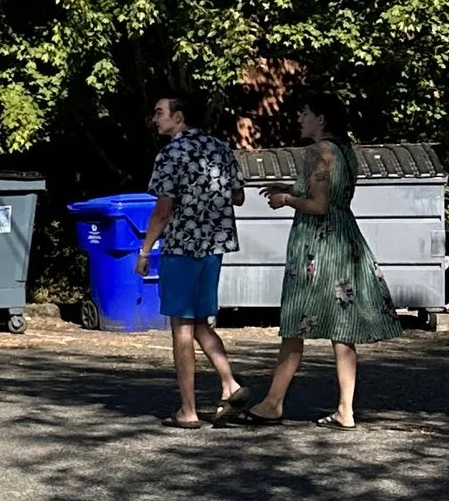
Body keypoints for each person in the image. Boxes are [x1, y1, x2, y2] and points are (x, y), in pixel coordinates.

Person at [248, 96, 398, 426]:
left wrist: (285, 199)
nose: (300, 118)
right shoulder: (344, 151)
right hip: (345, 241)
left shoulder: (318, 151)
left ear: (322, 118)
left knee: (295, 322)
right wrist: (290, 186)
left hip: (317, 246)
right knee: (342, 328)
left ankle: (273, 403)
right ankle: (346, 409)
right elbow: (330, 191)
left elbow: (318, 205)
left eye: (305, 113)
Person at [135, 92, 248, 425]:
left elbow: (162, 211)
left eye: (159, 112)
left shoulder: (171, 154)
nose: (155, 119)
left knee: (181, 328)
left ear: (178, 117)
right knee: (199, 321)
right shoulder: (220, 148)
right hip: (214, 245)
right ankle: (230, 384)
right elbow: (239, 196)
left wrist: (144, 251)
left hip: (182, 247)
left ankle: (188, 410)